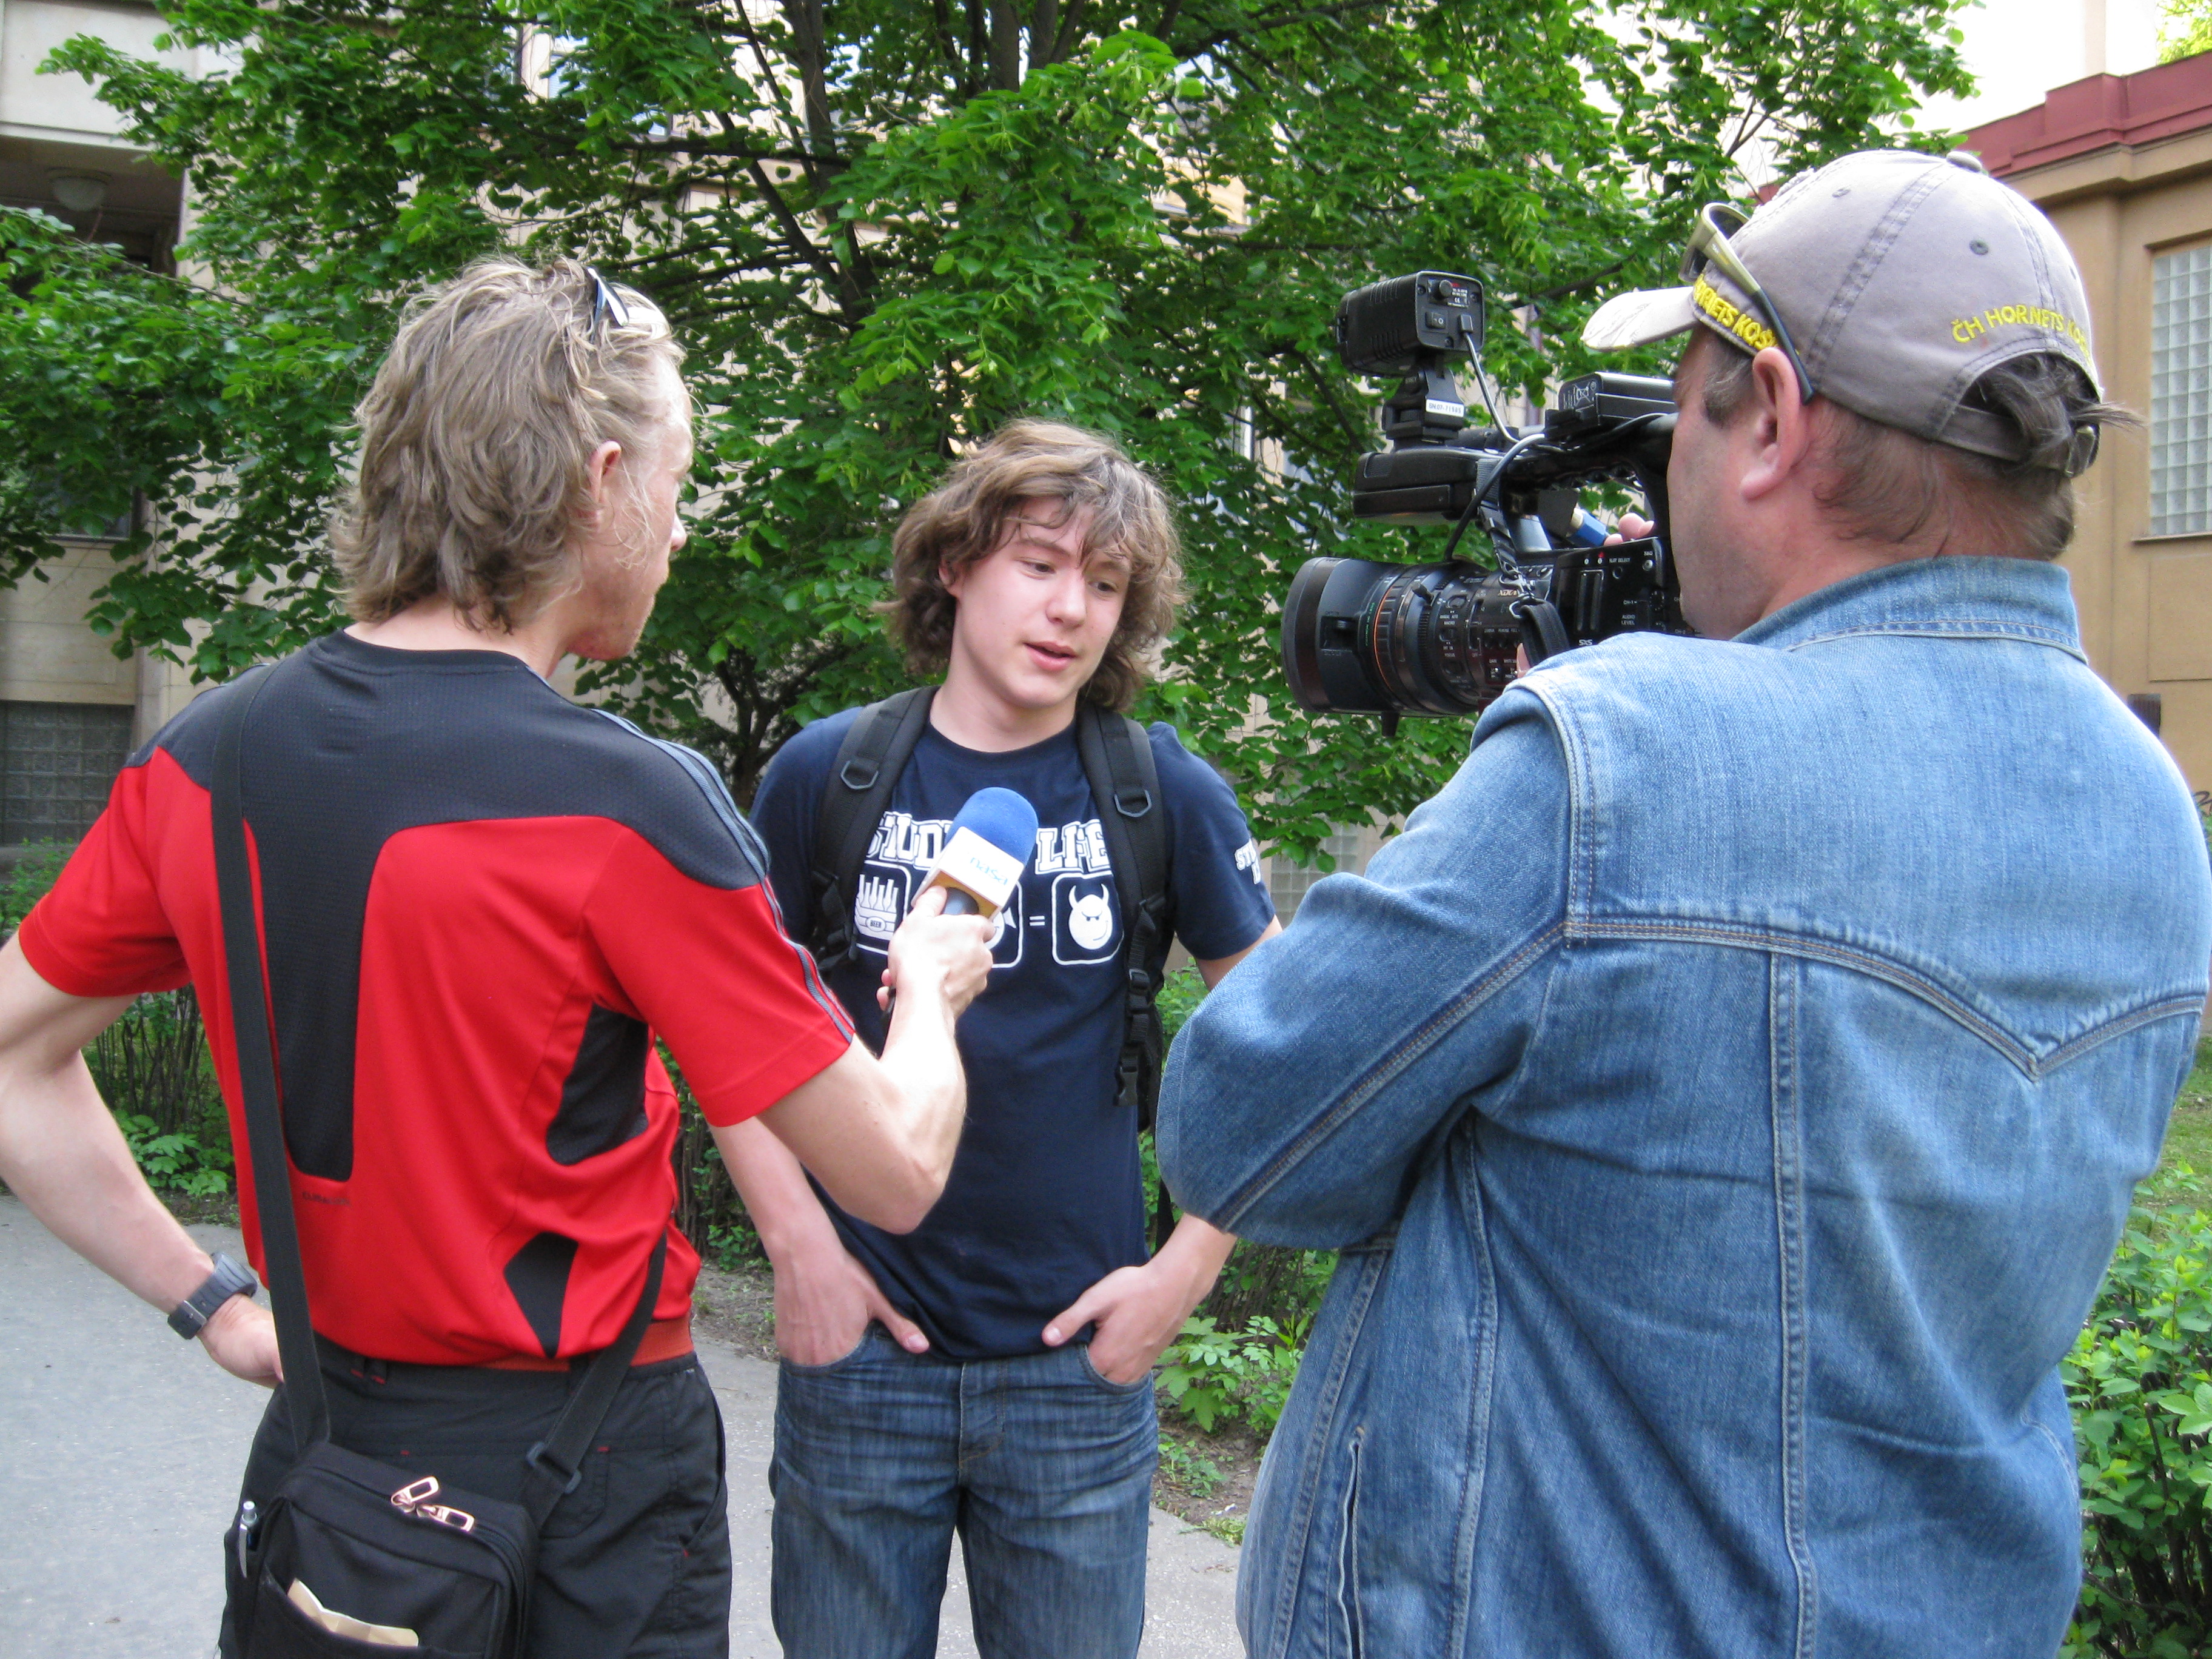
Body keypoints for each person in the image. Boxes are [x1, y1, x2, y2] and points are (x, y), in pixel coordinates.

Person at [1155, 149, 2212, 1657]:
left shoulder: (1621, 754)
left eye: (1684, 416)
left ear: (1771, 417)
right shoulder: (2150, 807)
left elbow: (1237, 1137)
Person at [0, 258, 993, 1657]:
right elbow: (892, 1168)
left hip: (328, 1464)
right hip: (587, 1486)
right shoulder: (625, 803)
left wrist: (213, 1303)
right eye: (679, 482)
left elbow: (12, 1058)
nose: (681, 529)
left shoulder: (205, 757)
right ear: (601, 481)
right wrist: (933, 995)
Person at [738, 419, 1281, 1658]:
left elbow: (1283, 1056)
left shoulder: (1164, 793)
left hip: (1075, 1373)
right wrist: (800, 1249)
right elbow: (730, 1034)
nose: (1072, 608)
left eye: (1106, 583)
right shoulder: (827, 778)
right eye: (1040, 564)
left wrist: (1181, 1277)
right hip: (864, 1355)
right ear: (955, 565)